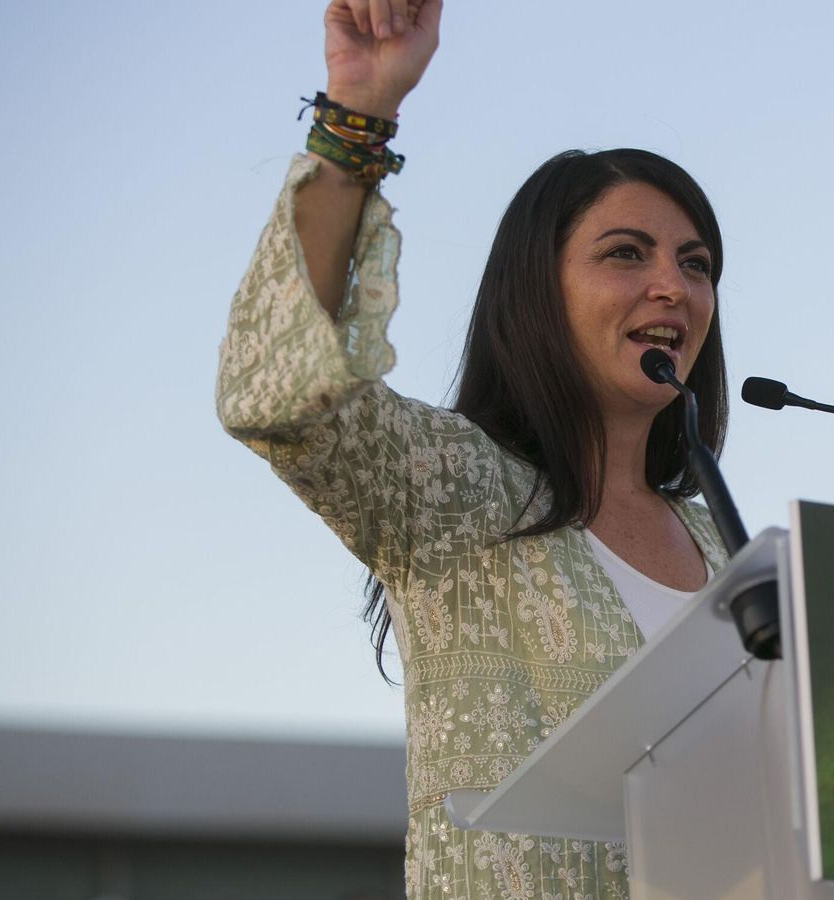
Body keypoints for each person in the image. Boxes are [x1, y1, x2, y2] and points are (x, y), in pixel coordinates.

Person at [216, 2, 730, 897]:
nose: (671, 287)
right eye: (626, 253)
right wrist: (356, 113)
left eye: (696, 264)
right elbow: (279, 392)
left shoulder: (735, 551)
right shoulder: (457, 491)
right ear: (537, 293)